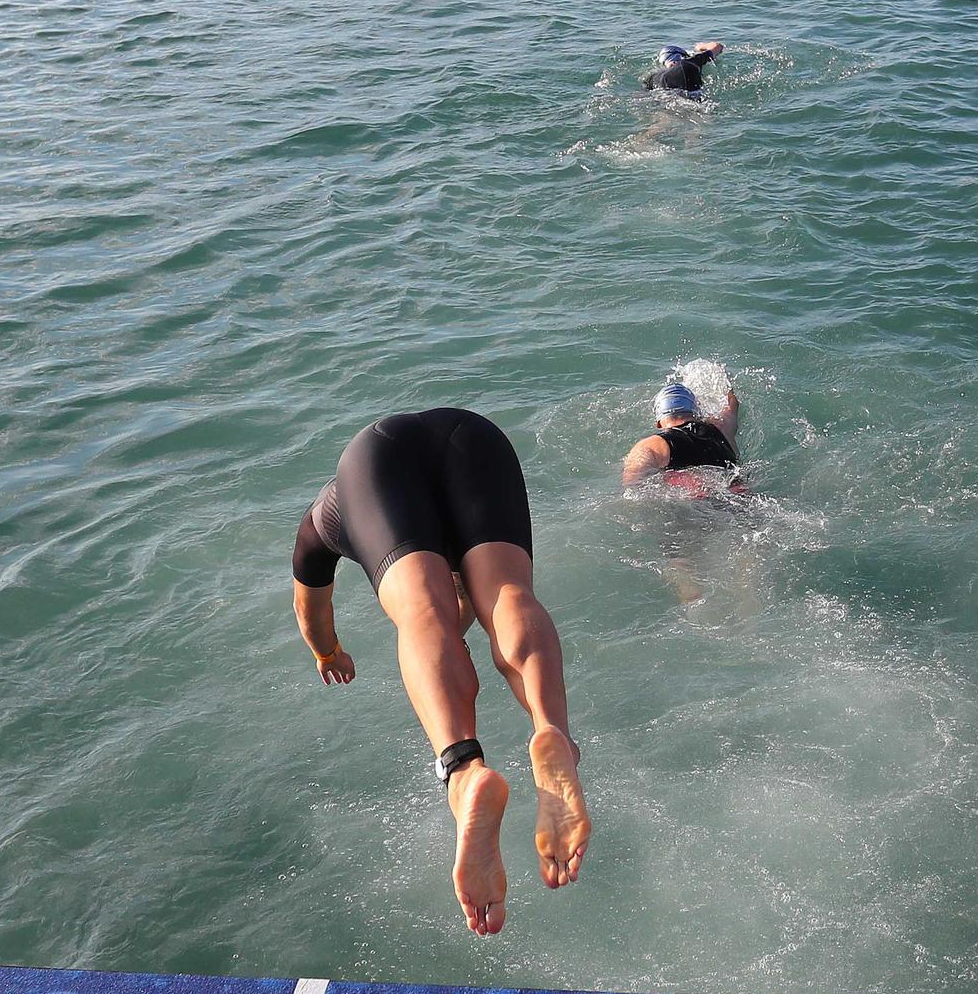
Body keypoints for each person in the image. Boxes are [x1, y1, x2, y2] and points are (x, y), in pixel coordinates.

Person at [290, 408, 591, 936]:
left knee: (423, 612)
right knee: (508, 595)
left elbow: (309, 610)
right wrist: (326, 648)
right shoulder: (339, 523)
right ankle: (552, 731)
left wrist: (328, 652)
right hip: (474, 436)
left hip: (375, 459)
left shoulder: (333, 519)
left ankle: (463, 772)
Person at [621, 380, 742, 487]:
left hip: (697, 502)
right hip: (740, 496)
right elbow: (732, 403)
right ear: (696, 413)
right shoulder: (723, 427)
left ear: (658, 423)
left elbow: (632, 484)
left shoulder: (652, 445)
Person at [643, 40, 723, 95]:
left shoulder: (654, 76)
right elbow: (717, 46)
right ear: (682, 56)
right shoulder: (690, 61)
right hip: (690, 78)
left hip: (665, 86)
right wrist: (700, 47)